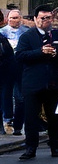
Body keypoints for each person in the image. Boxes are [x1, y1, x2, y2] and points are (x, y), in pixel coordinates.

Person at [17, 4, 58, 160]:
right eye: (42, 18)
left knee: (54, 117)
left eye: (48, 18)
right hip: (33, 83)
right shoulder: (27, 36)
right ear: (35, 19)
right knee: (31, 118)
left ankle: (55, 147)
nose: (45, 21)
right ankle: (30, 148)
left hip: (54, 83)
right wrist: (40, 52)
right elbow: (20, 56)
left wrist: (57, 53)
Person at [2, 8, 30, 136]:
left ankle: (18, 124)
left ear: (21, 19)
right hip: (6, 69)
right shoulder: (2, 33)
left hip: (22, 68)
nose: (14, 20)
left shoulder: (27, 32)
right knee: (6, 95)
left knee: (20, 97)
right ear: (7, 19)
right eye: (12, 18)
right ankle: (7, 119)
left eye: (17, 17)